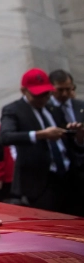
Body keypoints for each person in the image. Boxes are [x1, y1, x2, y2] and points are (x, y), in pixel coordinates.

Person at [0, 68, 84, 212]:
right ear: (24, 91)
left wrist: (77, 136)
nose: (42, 99)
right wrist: (40, 135)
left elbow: (67, 142)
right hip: (40, 182)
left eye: (46, 94)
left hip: (68, 178)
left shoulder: (53, 109)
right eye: (37, 95)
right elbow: (5, 136)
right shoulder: (14, 110)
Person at [48, 69, 84, 215]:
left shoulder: (80, 106)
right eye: (60, 90)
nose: (64, 94)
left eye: (68, 89)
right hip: (57, 173)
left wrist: (80, 137)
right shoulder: (46, 109)